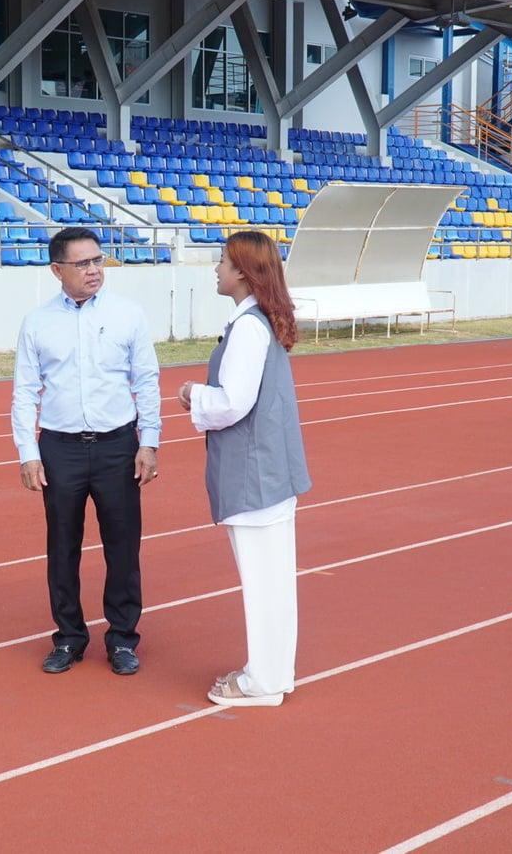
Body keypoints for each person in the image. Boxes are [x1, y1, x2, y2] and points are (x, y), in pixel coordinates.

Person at [11, 227, 162, 676]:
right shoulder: (37, 322)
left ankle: (123, 638)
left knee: (123, 546)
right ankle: (69, 637)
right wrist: (27, 452)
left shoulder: (128, 314)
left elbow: (146, 380)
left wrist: (149, 441)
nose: (94, 270)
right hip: (60, 449)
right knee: (62, 548)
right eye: (82, 263)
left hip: (118, 445)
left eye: (98, 260)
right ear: (57, 270)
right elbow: (25, 391)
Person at [177, 230, 312, 707]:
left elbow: (234, 402)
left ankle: (263, 682)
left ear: (242, 271)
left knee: (264, 584)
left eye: (222, 261)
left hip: (256, 475)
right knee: (272, 582)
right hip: (268, 472)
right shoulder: (258, 322)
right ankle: (270, 673)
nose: (216, 269)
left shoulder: (249, 329)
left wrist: (193, 394)